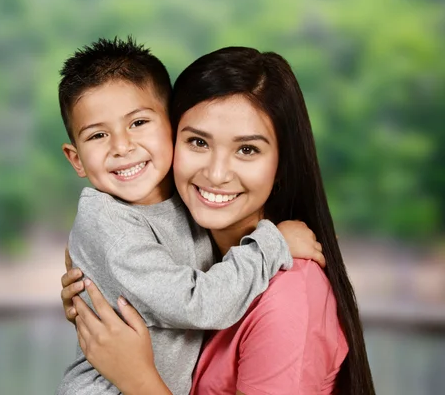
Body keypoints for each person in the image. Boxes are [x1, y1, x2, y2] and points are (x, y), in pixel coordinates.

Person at [61, 46, 376, 394]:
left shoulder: (288, 296)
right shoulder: (197, 247)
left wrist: (138, 380)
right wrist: (96, 287)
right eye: (198, 142)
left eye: (247, 150)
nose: (216, 173)